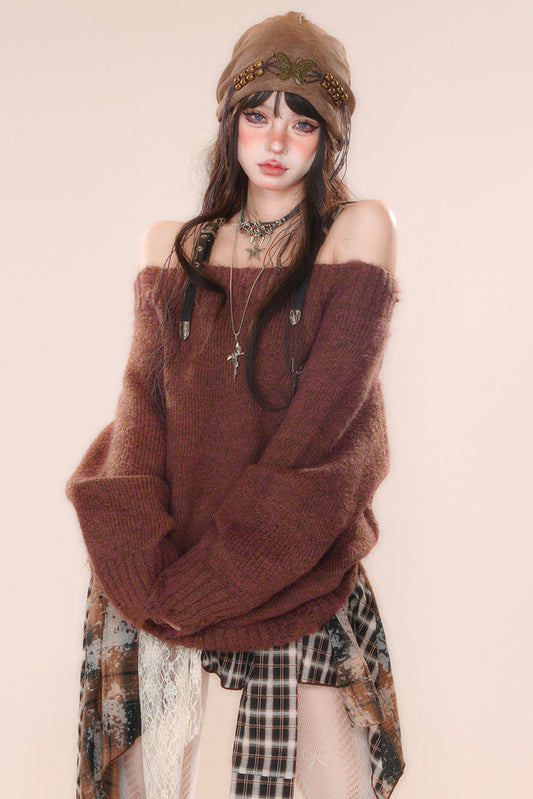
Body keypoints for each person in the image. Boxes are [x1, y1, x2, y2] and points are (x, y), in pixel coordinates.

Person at [66, 11, 405, 799]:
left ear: (328, 140)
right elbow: (142, 415)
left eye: (301, 121)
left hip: (291, 560)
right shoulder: (173, 246)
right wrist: (147, 572)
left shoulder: (354, 234)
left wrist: (219, 575)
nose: (276, 139)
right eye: (257, 114)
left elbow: (322, 434)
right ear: (230, 124)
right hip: (163, 567)